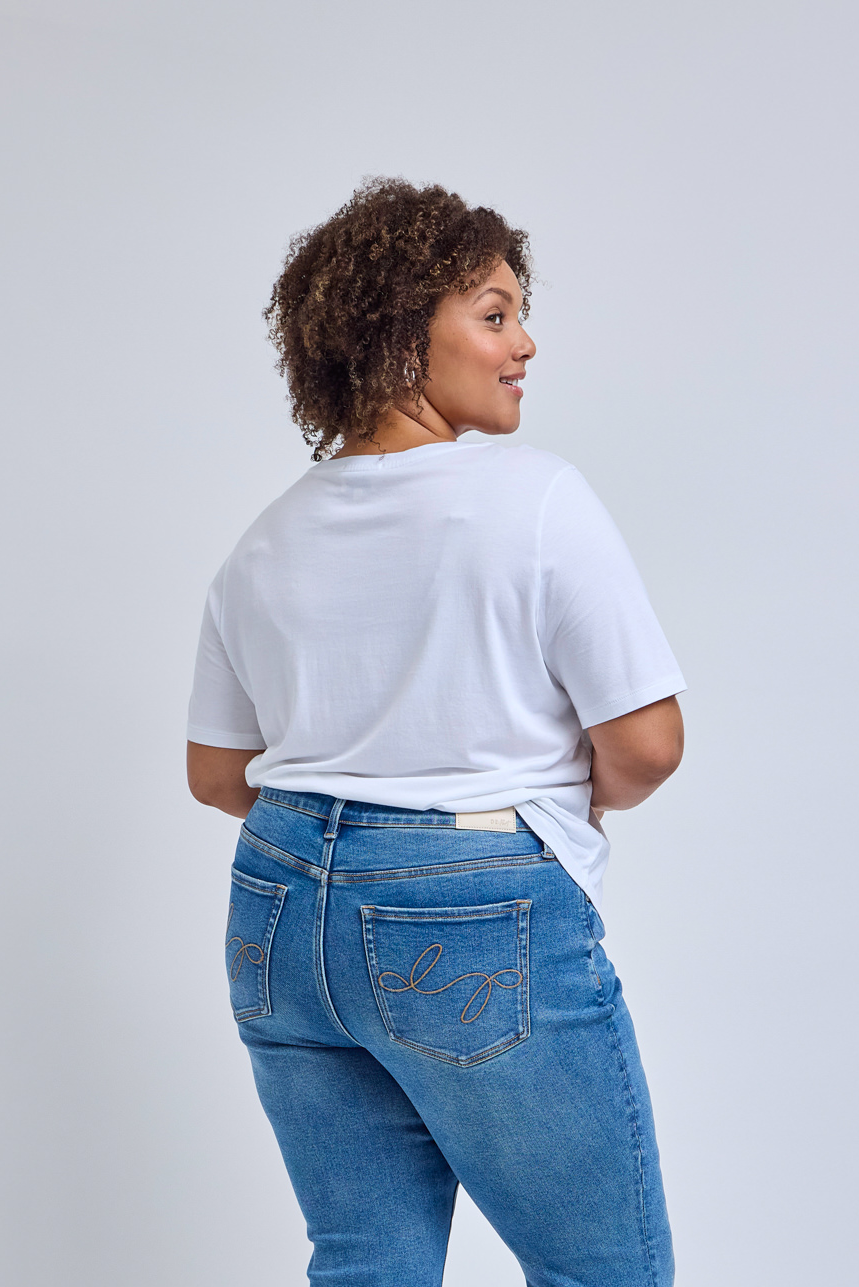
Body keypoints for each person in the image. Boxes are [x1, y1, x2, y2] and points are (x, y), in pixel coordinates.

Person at [186, 176, 686, 1287]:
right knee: (602, 1268)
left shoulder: (265, 539)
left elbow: (217, 773)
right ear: (400, 334)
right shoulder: (533, 496)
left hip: (275, 916)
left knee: (368, 1263)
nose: (527, 345)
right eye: (495, 313)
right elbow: (646, 745)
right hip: (466, 910)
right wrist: (569, 795)